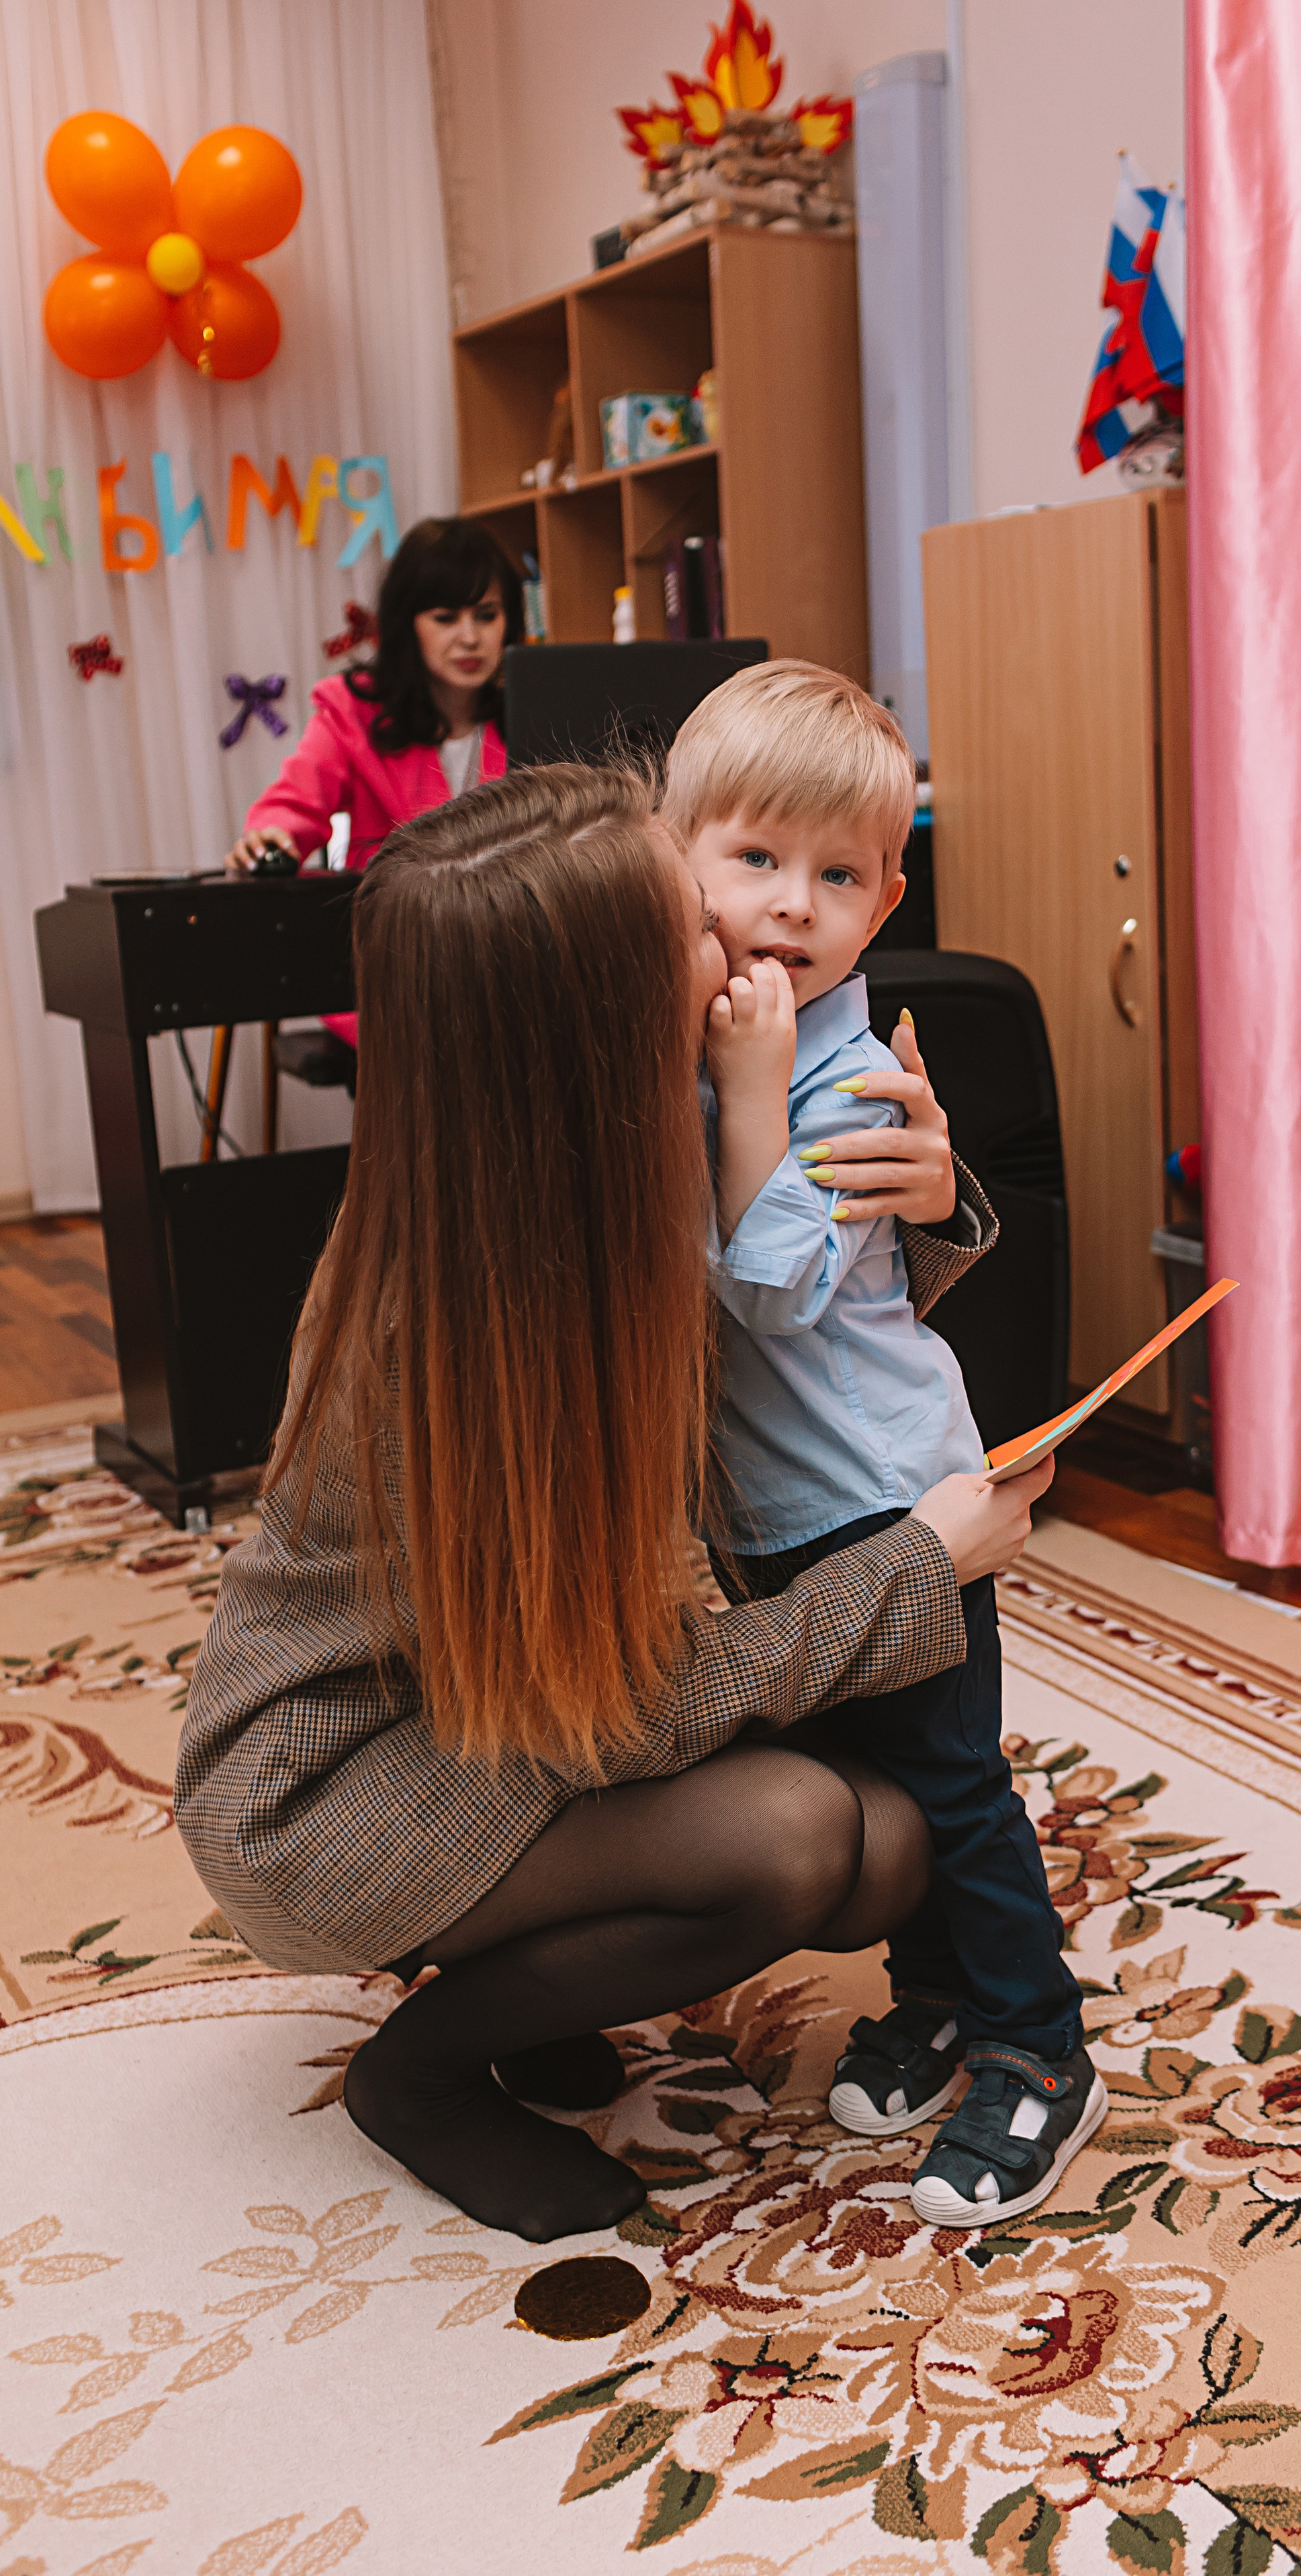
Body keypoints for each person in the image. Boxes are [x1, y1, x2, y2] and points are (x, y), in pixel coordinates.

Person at [175, 760, 1053, 2248]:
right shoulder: (459, 1332)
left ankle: (519, 1981)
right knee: (814, 1842)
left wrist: (926, 1193)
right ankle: (424, 2075)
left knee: (889, 1819)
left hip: (484, 1715)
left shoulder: (582, 1156)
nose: (747, 929)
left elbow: (780, 1324)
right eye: (696, 918)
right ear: (602, 1018)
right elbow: (620, 1707)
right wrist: (912, 1565)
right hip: (328, 1795)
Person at [664, 661, 1102, 2230]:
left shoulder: (835, 1074)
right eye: (754, 858)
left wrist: (749, 1087)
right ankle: (931, 1992)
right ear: (674, 852)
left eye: (837, 875)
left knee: (951, 1783)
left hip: (885, 1498)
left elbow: (768, 1288)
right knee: (876, 1778)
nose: (791, 907)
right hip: (779, 1503)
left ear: (886, 894)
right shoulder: (699, 1036)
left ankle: (1036, 2046)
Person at [224, 516, 523, 1044]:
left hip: (512, 954)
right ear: (409, 622)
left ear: (510, 622)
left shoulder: (535, 706)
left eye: (487, 615)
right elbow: (294, 806)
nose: (470, 637)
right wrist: (272, 837)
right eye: (445, 617)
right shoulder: (351, 710)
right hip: (398, 960)